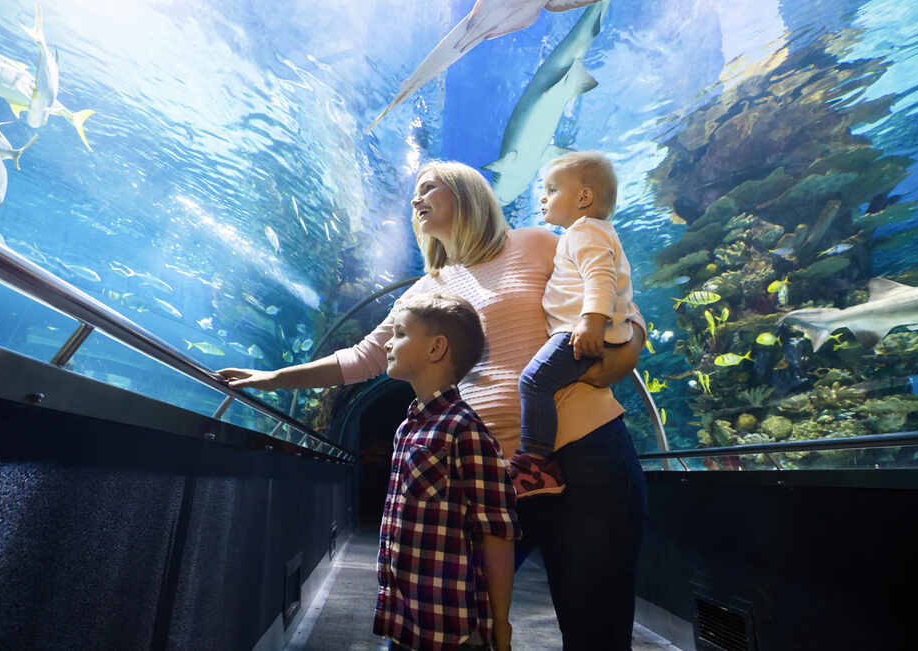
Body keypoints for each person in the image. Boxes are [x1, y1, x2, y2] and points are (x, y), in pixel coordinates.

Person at [218, 160, 648, 650]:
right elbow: (362, 358)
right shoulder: (426, 291)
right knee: (459, 624)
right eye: (413, 196)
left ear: (466, 192)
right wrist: (275, 378)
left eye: (428, 188)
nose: (416, 200)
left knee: (598, 630)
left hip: (589, 455)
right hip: (494, 474)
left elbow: (619, 308)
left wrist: (625, 351)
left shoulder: (537, 243)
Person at [376, 292, 517, 650]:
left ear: (436, 348)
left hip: (450, 627)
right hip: (403, 616)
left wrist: (501, 624)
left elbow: (496, 532)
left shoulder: (464, 428)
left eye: (401, 333)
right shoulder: (408, 427)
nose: (388, 343)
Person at [507, 151, 635, 499]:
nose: (542, 196)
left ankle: (534, 463)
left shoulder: (583, 232)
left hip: (581, 331)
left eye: (551, 189)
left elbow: (600, 277)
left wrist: (591, 320)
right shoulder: (590, 232)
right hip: (586, 329)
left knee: (534, 382)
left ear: (583, 197)